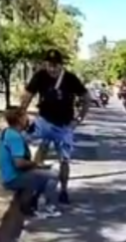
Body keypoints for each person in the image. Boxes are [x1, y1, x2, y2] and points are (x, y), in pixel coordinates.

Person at [19, 49, 90, 205]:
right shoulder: (40, 76)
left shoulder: (70, 78)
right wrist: (22, 114)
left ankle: (63, 191)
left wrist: (78, 119)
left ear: (61, 65)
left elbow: (86, 97)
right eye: (49, 65)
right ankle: (34, 190)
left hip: (64, 126)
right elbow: (28, 95)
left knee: (64, 159)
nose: (52, 68)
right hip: (44, 122)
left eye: (55, 65)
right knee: (35, 153)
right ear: (45, 64)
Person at [0, 107, 60, 218]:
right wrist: (36, 165)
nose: (28, 119)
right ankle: (42, 207)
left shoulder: (6, 132)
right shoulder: (15, 137)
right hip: (13, 178)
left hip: (7, 175)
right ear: (19, 119)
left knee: (42, 174)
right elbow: (19, 163)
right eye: (25, 116)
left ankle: (32, 204)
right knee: (53, 175)